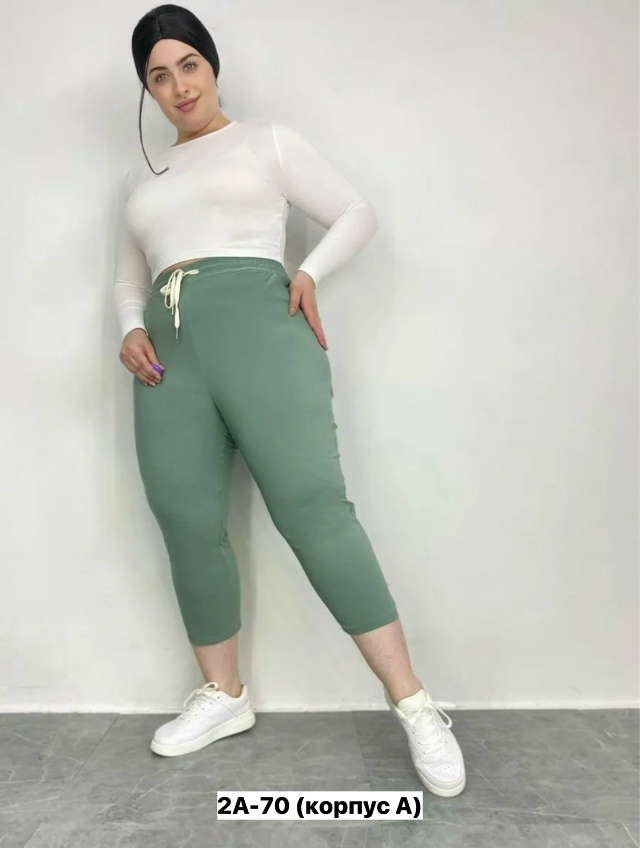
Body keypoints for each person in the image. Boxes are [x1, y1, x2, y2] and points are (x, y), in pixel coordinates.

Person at [113, 3, 466, 797]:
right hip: (168, 362)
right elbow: (130, 274)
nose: (179, 86)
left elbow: (356, 212)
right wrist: (130, 327)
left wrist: (307, 274)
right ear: (148, 90)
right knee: (186, 519)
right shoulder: (142, 180)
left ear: (212, 66)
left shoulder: (266, 141)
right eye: (159, 76)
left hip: (263, 336)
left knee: (313, 509)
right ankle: (224, 694)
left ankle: (414, 704)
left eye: (189, 65)